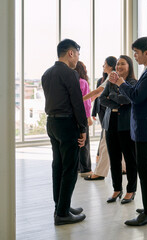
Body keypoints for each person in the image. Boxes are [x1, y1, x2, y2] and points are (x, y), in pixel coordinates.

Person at [110, 37, 147, 226]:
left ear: (146, 53)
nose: (135, 56)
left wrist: (120, 83)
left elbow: (136, 96)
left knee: (146, 169)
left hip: (144, 126)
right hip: (146, 125)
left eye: (137, 52)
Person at [41, 39, 87, 225]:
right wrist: (83, 128)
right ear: (70, 53)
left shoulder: (47, 73)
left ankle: (61, 206)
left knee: (58, 165)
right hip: (67, 124)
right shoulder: (70, 74)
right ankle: (62, 213)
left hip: (52, 123)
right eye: (77, 54)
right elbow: (77, 103)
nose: (77, 58)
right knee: (69, 168)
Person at [99, 55, 138, 204]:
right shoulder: (110, 80)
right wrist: (117, 102)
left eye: (122, 64)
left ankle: (131, 190)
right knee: (114, 159)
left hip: (126, 125)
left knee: (130, 159)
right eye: (117, 64)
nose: (119, 67)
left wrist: (113, 96)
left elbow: (127, 99)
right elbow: (102, 99)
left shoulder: (133, 82)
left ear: (129, 66)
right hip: (110, 124)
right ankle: (117, 189)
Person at [85, 56, 117, 181]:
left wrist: (82, 99)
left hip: (111, 114)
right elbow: (98, 94)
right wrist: (89, 102)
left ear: (110, 66)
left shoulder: (112, 76)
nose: (103, 66)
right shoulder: (110, 77)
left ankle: (99, 172)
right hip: (113, 114)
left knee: (105, 143)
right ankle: (123, 167)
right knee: (116, 143)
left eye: (104, 64)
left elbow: (98, 91)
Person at [74, 61, 93, 178]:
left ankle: (76, 167)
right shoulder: (83, 82)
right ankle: (85, 168)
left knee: (76, 141)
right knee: (84, 143)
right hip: (82, 116)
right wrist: (88, 117)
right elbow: (86, 103)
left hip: (71, 116)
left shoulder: (71, 82)